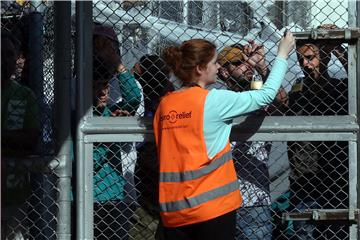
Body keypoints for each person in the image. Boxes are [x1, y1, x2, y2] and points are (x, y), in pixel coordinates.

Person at [153, 33, 294, 240]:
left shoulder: (166, 105)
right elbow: (265, 95)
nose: (218, 67)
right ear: (200, 69)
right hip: (212, 209)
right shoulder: (213, 101)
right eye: (214, 63)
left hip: (174, 210)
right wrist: (282, 53)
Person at [217, 41, 288, 240]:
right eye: (238, 62)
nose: (246, 65)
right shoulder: (217, 99)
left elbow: (282, 102)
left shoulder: (259, 96)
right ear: (223, 72)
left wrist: (261, 66)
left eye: (247, 60)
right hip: (219, 199)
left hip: (254, 200)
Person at [287, 24, 348, 239]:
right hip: (305, 180)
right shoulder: (297, 89)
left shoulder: (342, 88)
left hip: (338, 180)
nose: (306, 64)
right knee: (305, 232)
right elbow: (280, 105)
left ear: (325, 58)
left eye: (311, 57)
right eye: (301, 59)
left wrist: (338, 46)